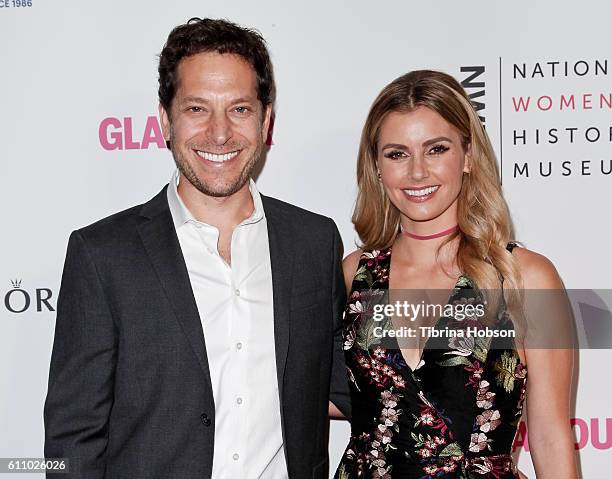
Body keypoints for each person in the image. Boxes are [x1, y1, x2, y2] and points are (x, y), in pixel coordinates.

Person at [44, 17, 350, 479]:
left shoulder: (314, 242)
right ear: (165, 120)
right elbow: (71, 441)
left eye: (240, 109)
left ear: (267, 119)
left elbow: (353, 385)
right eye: (197, 109)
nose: (220, 133)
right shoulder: (102, 254)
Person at [334, 71, 578, 478]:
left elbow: (551, 437)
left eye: (436, 149)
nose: (417, 173)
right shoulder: (354, 274)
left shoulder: (525, 277)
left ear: (467, 156)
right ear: (376, 166)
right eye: (396, 154)